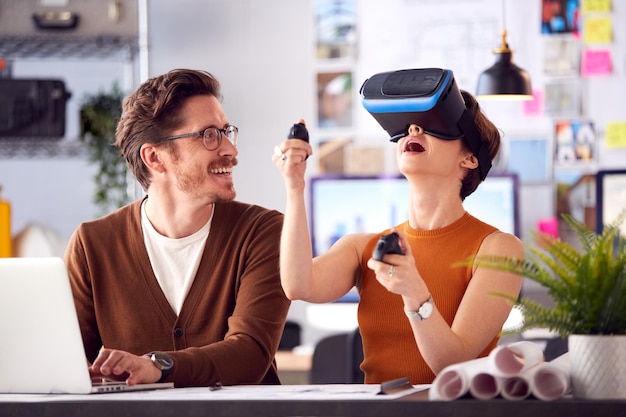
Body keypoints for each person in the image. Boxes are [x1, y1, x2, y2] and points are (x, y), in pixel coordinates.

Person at [273, 68, 524, 384]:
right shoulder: (363, 248)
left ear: (470, 159)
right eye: (407, 126)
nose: (414, 129)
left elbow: (452, 364)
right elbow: (298, 285)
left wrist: (414, 292)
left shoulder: (498, 249)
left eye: (433, 125)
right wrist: (295, 188)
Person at [65, 68, 290, 388]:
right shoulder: (92, 245)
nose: (230, 149)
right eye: (209, 134)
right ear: (154, 158)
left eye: (227, 132)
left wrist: (159, 367)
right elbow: (68, 361)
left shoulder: (261, 232)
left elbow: (250, 353)